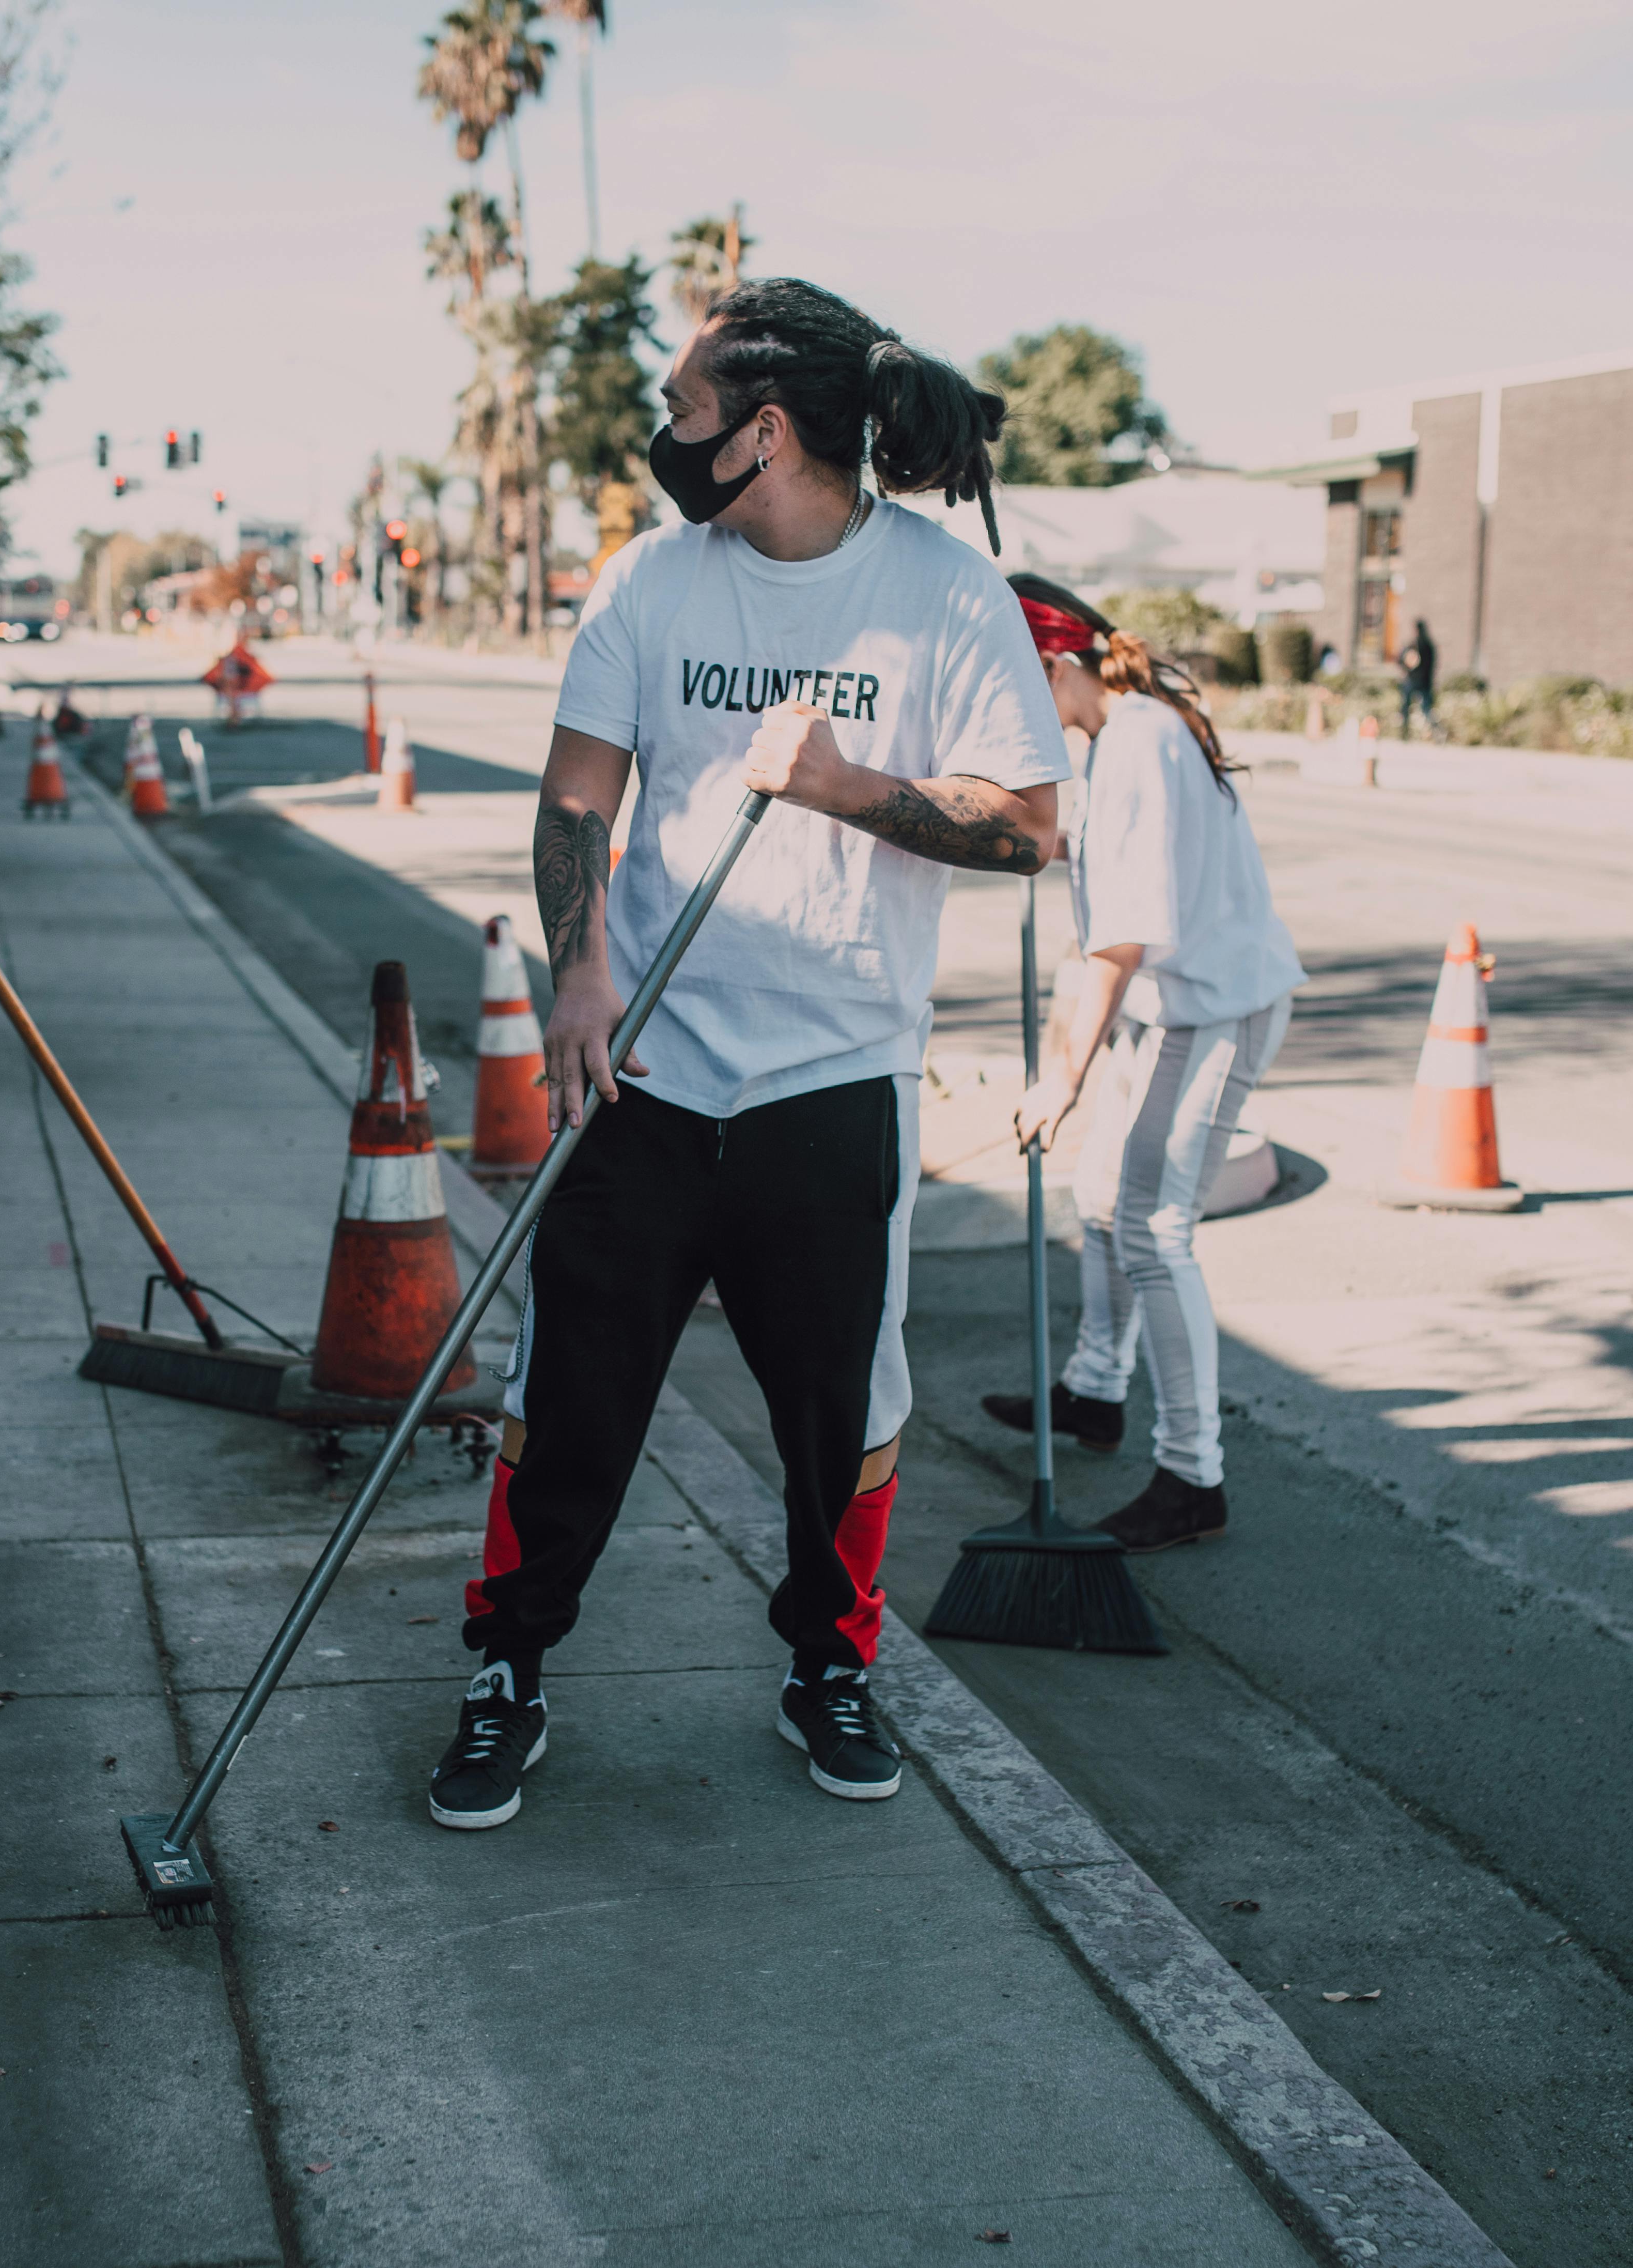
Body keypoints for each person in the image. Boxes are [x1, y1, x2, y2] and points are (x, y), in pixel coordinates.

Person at [428, 278, 1068, 1831]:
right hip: (642, 1068)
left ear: (764, 431)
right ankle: (508, 1665)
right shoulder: (652, 581)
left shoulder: (943, 594)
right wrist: (579, 969)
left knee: (836, 1410)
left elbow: (1029, 825)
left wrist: (852, 785)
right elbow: (579, 795)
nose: (664, 434)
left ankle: (828, 1665)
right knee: (567, 1391)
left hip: (832, 1080)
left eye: (685, 409)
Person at [982, 578, 1305, 1552]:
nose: (1011, 716)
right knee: (1100, 1194)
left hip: (1208, 1009)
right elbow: (1117, 877)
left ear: (1057, 666)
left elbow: (1119, 940)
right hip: (1175, 1002)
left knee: (1153, 1228)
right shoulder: (1125, 736)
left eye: (1015, 688)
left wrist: (1063, 1077)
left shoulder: (1136, 742)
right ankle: (1092, 1388)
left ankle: (1191, 1474)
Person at [1398, 619, 1439, 739]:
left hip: (1413, 680)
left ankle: (1405, 732)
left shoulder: (1415, 645)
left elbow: (1404, 660)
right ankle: (1434, 730)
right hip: (1426, 681)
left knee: (1406, 706)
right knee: (1426, 708)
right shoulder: (1429, 645)